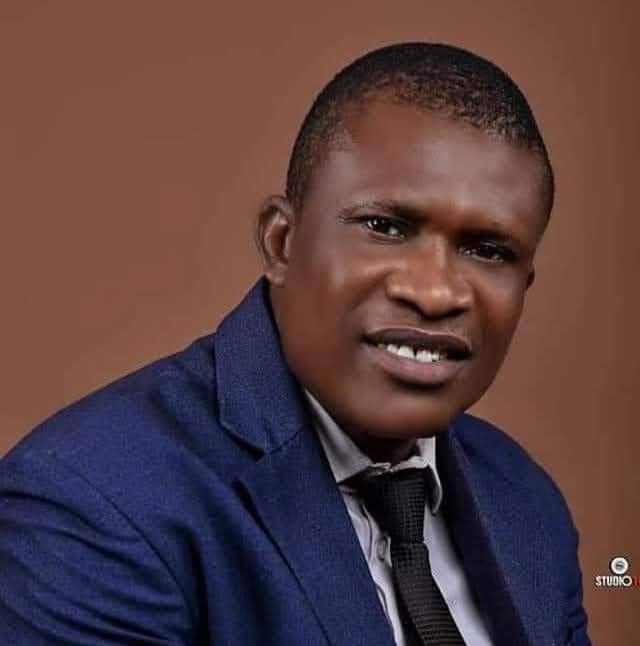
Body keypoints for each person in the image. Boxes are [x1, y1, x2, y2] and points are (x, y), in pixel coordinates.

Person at [0, 42, 590, 645]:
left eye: (488, 251)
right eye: (385, 227)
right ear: (281, 242)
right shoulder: (94, 502)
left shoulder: (525, 501)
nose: (436, 292)